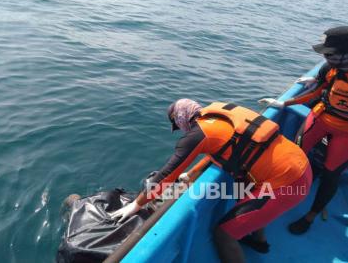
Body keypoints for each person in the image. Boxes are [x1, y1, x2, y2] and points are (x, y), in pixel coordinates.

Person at [110, 99, 312, 263]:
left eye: (177, 124)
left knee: (223, 234)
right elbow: (226, 146)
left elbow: (166, 175)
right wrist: (193, 173)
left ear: (181, 119)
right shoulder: (217, 116)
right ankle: (259, 242)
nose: (180, 129)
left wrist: (137, 204)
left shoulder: (197, 135)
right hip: (300, 163)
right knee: (249, 198)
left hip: (287, 183)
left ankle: (247, 242)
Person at [259, 26, 348, 234]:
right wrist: (285, 104)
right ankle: (280, 192)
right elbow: (317, 90)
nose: (326, 58)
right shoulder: (331, 69)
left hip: (345, 134)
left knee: (331, 174)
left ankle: (310, 216)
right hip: (321, 118)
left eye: (330, 54)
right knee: (293, 155)